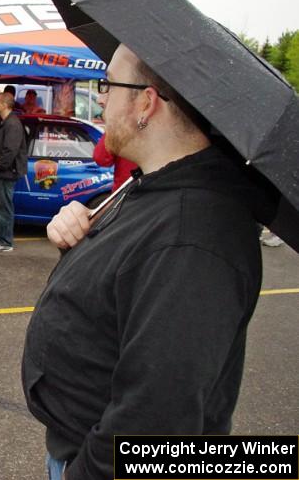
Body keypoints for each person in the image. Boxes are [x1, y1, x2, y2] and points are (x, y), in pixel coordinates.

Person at [22, 43, 268, 480]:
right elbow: (124, 282)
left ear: (145, 103)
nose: (100, 97)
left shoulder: (192, 235)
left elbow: (157, 419)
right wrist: (79, 237)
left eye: (108, 84)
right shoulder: (153, 187)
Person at [0, 91, 27, 252]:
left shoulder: (12, 124)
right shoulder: (6, 122)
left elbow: (10, 151)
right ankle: (0, 236)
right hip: (5, 170)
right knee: (0, 206)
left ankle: (5, 242)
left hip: (7, 171)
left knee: (4, 207)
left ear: (4, 104)